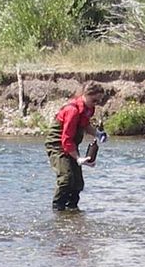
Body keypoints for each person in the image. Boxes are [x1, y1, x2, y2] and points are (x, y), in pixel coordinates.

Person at [45, 81, 108, 212]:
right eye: (94, 100)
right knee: (66, 179)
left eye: (99, 101)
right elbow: (66, 139)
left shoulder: (89, 108)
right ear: (86, 94)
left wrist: (97, 133)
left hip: (71, 145)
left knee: (78, 183)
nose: (96, 103)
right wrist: (78, 158)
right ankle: (57, 211)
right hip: (57, 145)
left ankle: (73, 211)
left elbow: (84, 125)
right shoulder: (72, 110)